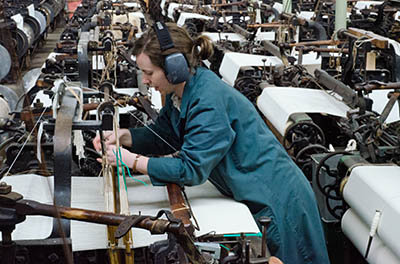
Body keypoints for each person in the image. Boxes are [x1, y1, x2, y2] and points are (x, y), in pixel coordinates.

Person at [93, 22, 330, 264]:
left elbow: (191, 169)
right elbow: (164, 133)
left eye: (149, 73)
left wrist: (131, 160)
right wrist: (125, 136)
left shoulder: (207, 100)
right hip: (256, 190)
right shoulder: (182, 92)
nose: (144, 80)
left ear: (175, 68)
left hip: (280, 198)